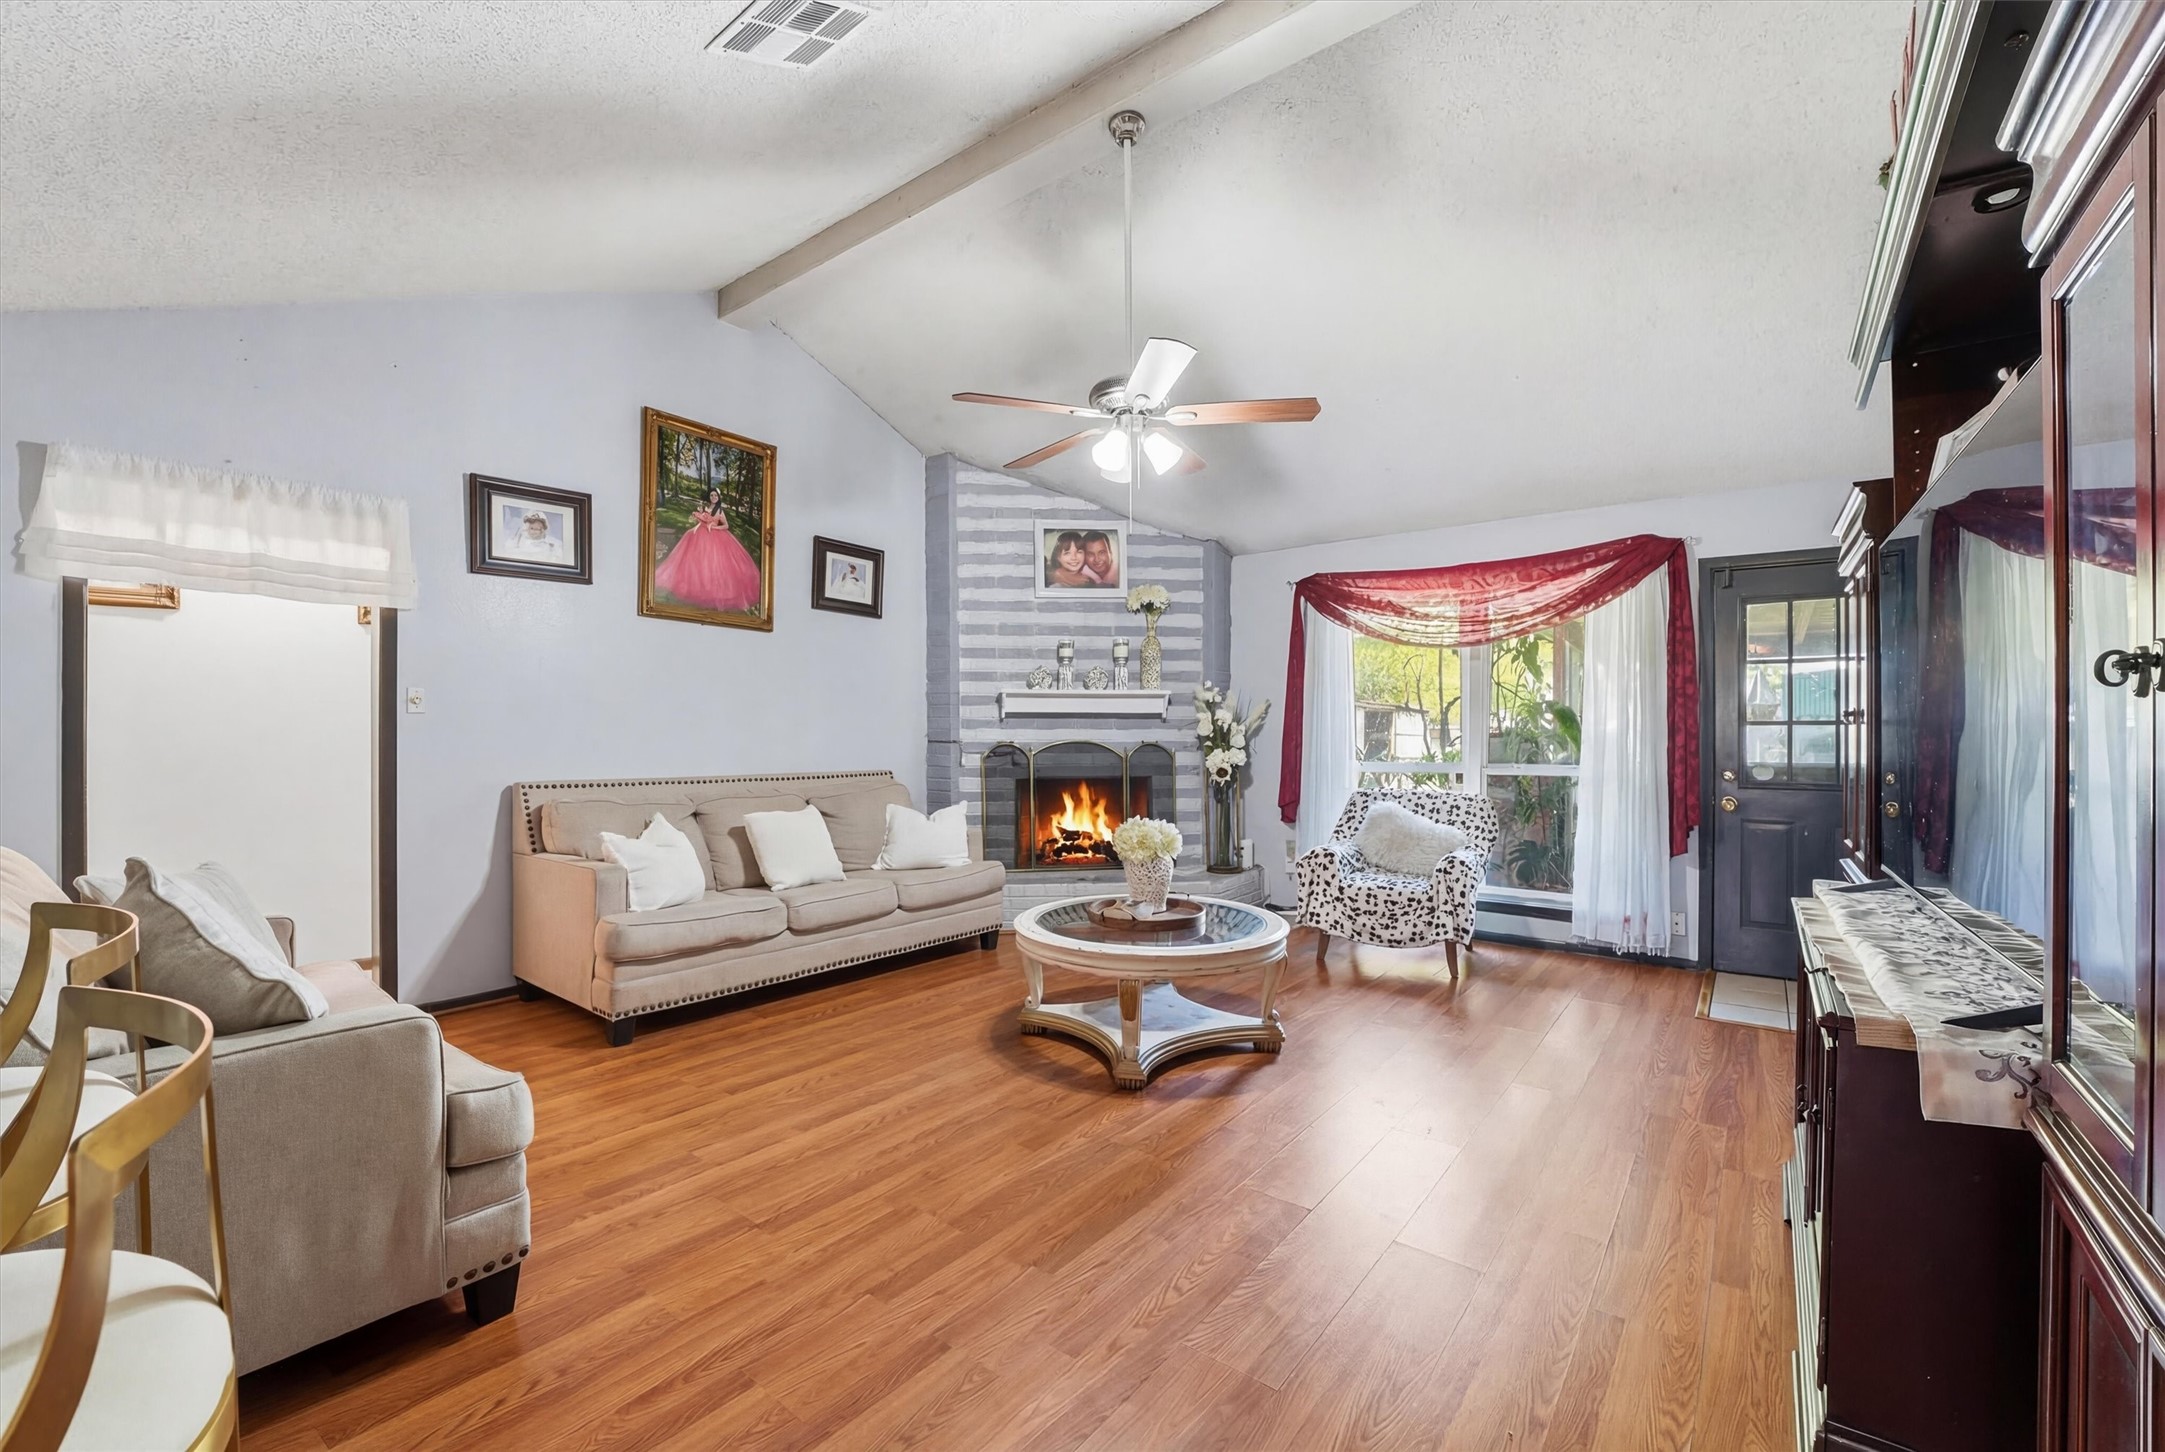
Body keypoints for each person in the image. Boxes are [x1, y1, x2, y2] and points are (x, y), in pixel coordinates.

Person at [655, 487, 762, 611]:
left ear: (719, 497)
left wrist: (714, 527)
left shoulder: (720, 511)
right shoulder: (706, 508)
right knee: (697, 561)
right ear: (709, 497)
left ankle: (715, 592)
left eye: (715, 496)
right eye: (711, 495)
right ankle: (693, 587)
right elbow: (702, 521)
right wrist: (697, 522)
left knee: (714, 563)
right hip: (700, 534)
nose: (713, 498)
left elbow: (726, 526)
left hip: (716, 537)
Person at [501, 509, 566, 565]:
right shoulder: (519, 540)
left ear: (542, 529)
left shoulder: (551, 544)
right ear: (527, 528)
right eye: (531, 528)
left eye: (537, 529)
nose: (533, 531)